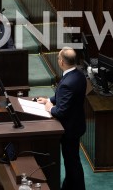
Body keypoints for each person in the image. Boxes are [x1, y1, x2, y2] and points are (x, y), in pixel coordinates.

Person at [37, 47, 86, 190]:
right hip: (76, 125)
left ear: (62, 62)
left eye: (59, 58)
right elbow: (64, 96)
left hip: (69, 129)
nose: (58, 60)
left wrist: (50, 108)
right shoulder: (79, 75)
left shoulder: (67, 82)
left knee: (72, 162)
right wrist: (49, 99)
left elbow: (61, 111)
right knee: (72, 161)